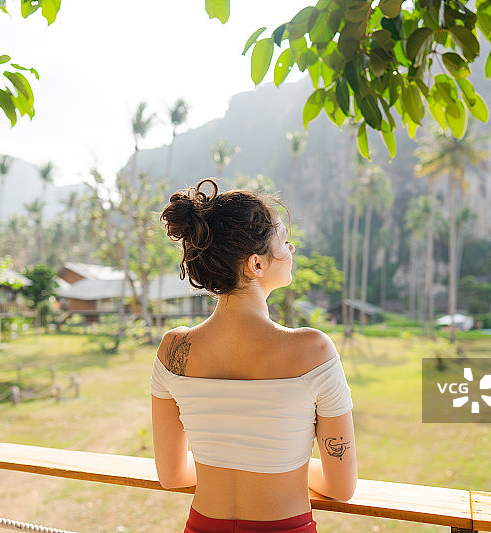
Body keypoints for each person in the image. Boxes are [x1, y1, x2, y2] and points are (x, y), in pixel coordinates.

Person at [151, 178, 357, 533]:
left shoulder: (173, 350)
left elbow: (172, 476)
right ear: (256, 264)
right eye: (283, 240)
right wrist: (282, 463)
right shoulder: (313, 350)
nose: (291, 248)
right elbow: (341, 488)